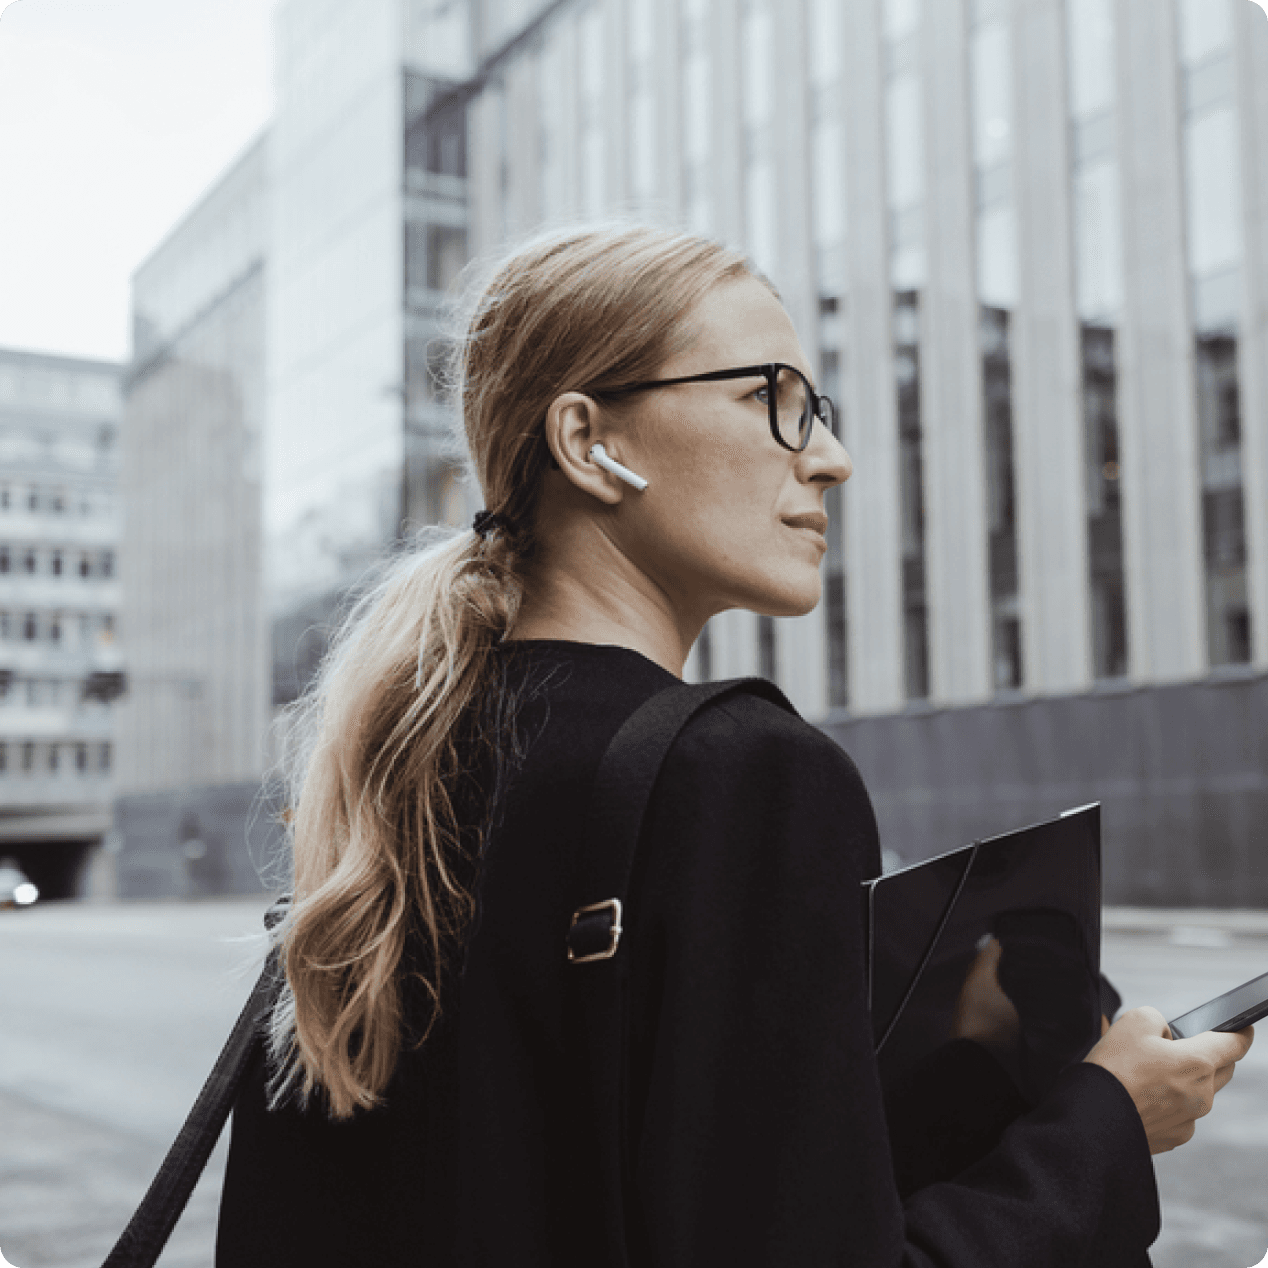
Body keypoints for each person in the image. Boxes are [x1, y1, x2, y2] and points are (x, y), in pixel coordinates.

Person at [215, 223, 1254, 1266]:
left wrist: (948, 1054)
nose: (831, 459)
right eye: (774, 399)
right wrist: (1106, 1120)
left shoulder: (391, 769)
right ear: (590, 442)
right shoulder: (741, 775)